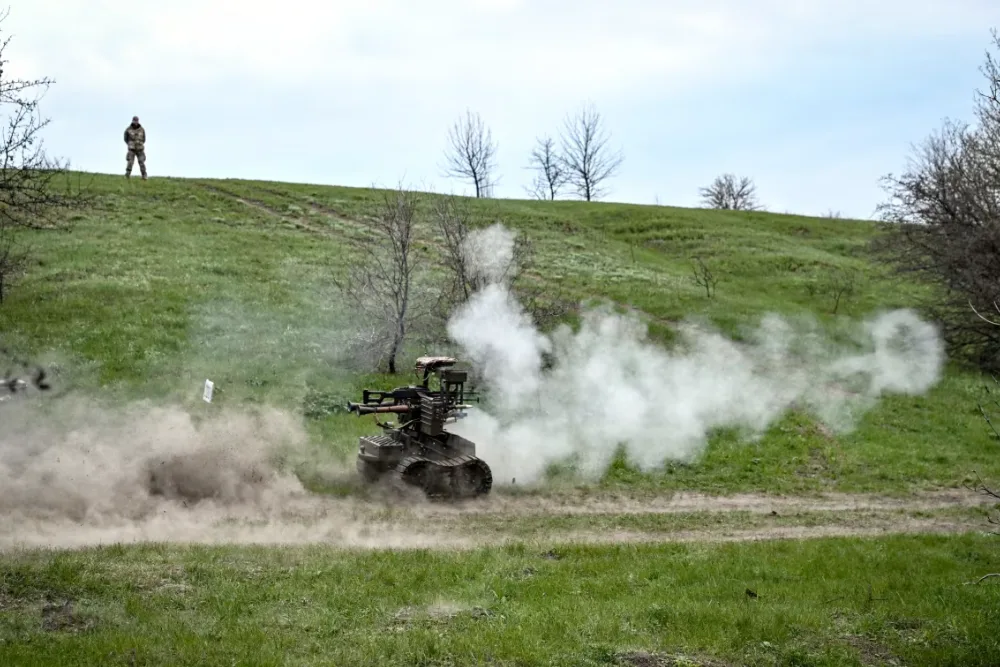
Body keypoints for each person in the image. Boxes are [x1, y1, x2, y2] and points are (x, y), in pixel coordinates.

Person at [124, 116, 147, 180]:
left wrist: (140, 144)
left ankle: (144, 176)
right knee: (130, 162)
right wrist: (130, 144)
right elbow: (125, 139)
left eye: (136, 121)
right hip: (132, 149)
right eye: (134, 121)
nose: (135, 122)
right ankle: (127, 175)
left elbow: (144, 139)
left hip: (140, 149)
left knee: (141, 162)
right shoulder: (128, 129)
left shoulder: (142, 129)